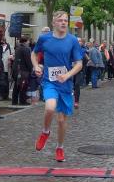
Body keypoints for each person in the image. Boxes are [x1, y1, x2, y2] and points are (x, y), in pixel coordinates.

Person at [32, 11, 83, 162]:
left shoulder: (72, 40)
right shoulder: (44, 38)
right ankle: (45, 132)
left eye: (65, 20)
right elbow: (34, 54)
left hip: (65, 84)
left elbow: (79, 64)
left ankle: (60, 147)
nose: (63, 23)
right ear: (54, 23)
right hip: (50, 82)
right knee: (50, 108)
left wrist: (67, 75)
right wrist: (36, 66)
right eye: (60, 20)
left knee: (61, 120)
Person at [12, 36, 32, 106]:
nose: (29, 42)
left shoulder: (18, 48)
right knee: (23, 86)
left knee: (16, 86)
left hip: (17, 70)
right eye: (28, 41)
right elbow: (28, 61)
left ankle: (14, 101)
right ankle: (22, 101)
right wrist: (31, 69)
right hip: (23, 70)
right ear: (25, 41)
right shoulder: (25, 49)